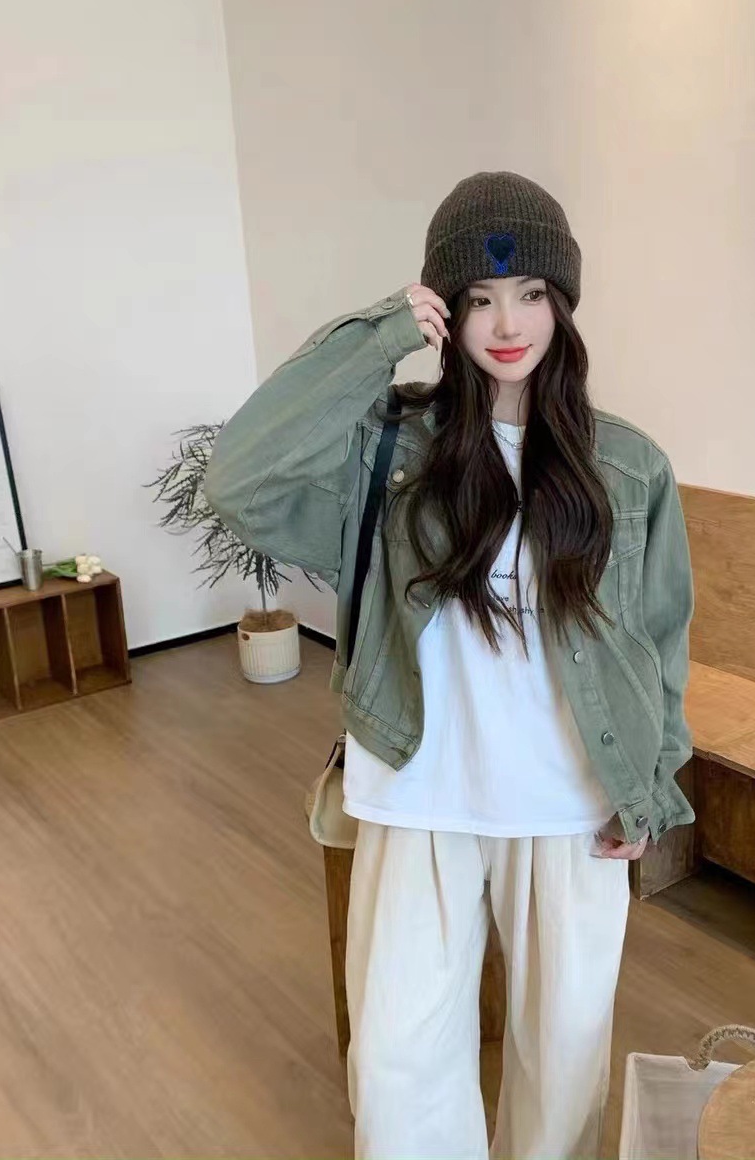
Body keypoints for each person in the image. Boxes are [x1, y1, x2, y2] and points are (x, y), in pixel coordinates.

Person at [205, 171, 695, 1160]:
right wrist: (380, 335)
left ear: (562, 303)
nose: (506, 323)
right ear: (446, 309)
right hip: (419, 789)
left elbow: (660, 636)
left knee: (564, 1071)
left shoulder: (629, 464)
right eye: (477, 297)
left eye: (530, 294)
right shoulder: (392, 450)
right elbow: (238, 480)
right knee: (398, 1068)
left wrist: (650, 783)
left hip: (571, 804)